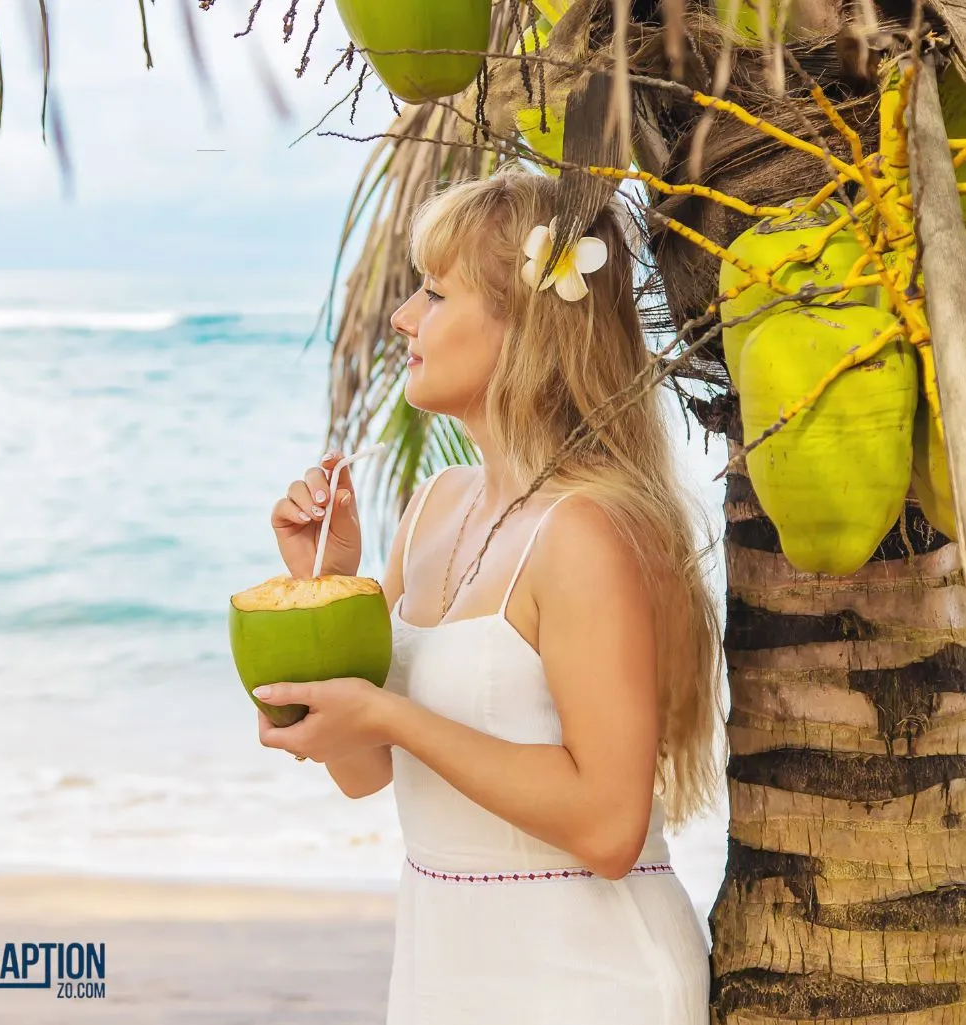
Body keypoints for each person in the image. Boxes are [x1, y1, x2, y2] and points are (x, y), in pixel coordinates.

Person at [262, 164, 724, 1024]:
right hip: (444, 966)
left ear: (526, 326)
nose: (403, 316)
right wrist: (319, 590)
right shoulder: (433, 507)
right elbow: (364, 772)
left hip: (587, 979)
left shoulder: (584, 530)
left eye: (434, 294)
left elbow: (609, 824)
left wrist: (391, 717)